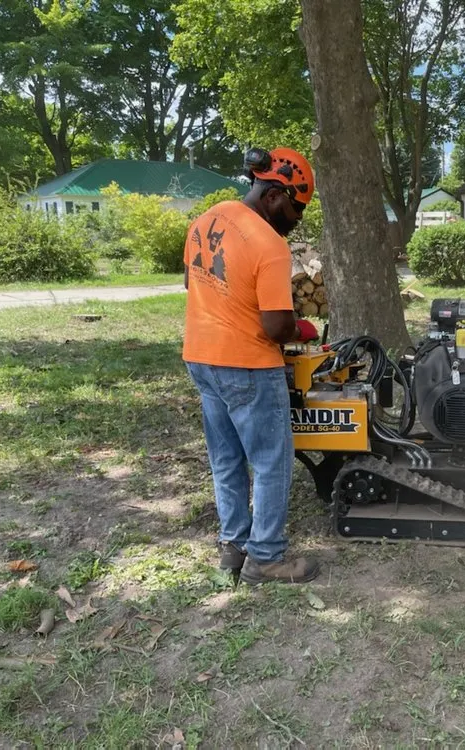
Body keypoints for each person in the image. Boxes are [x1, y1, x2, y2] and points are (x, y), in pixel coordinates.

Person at [182, 146, 321, 585]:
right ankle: (266, 557)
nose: (297, 220)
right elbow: (277, 326)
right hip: (247, 364)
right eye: (296, 209)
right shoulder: (270, 243)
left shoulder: (206, 219)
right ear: (276, 195)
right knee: (271, 461)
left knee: (226, 458)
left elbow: (193, 282)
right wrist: (305, 330)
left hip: (201, 358)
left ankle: (234, 546)